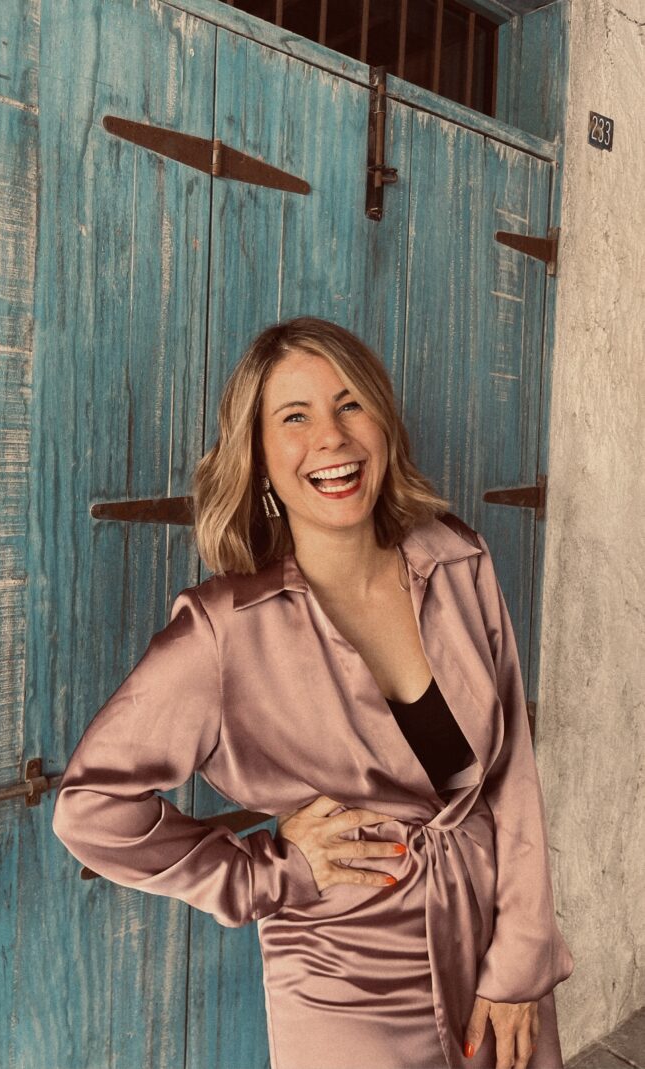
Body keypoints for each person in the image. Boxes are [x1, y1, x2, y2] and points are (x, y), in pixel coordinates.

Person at [52, 317, 574, 1069]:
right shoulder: (222, 630)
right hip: (343, 984)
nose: (332, 437)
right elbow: (91, 808)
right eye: (294, 417)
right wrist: (265, 871)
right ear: (260, 456)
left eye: (349, 403)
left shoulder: (456, 559)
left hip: (491, 947)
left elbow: (510, 771)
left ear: (383, 422)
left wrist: (522, 956)